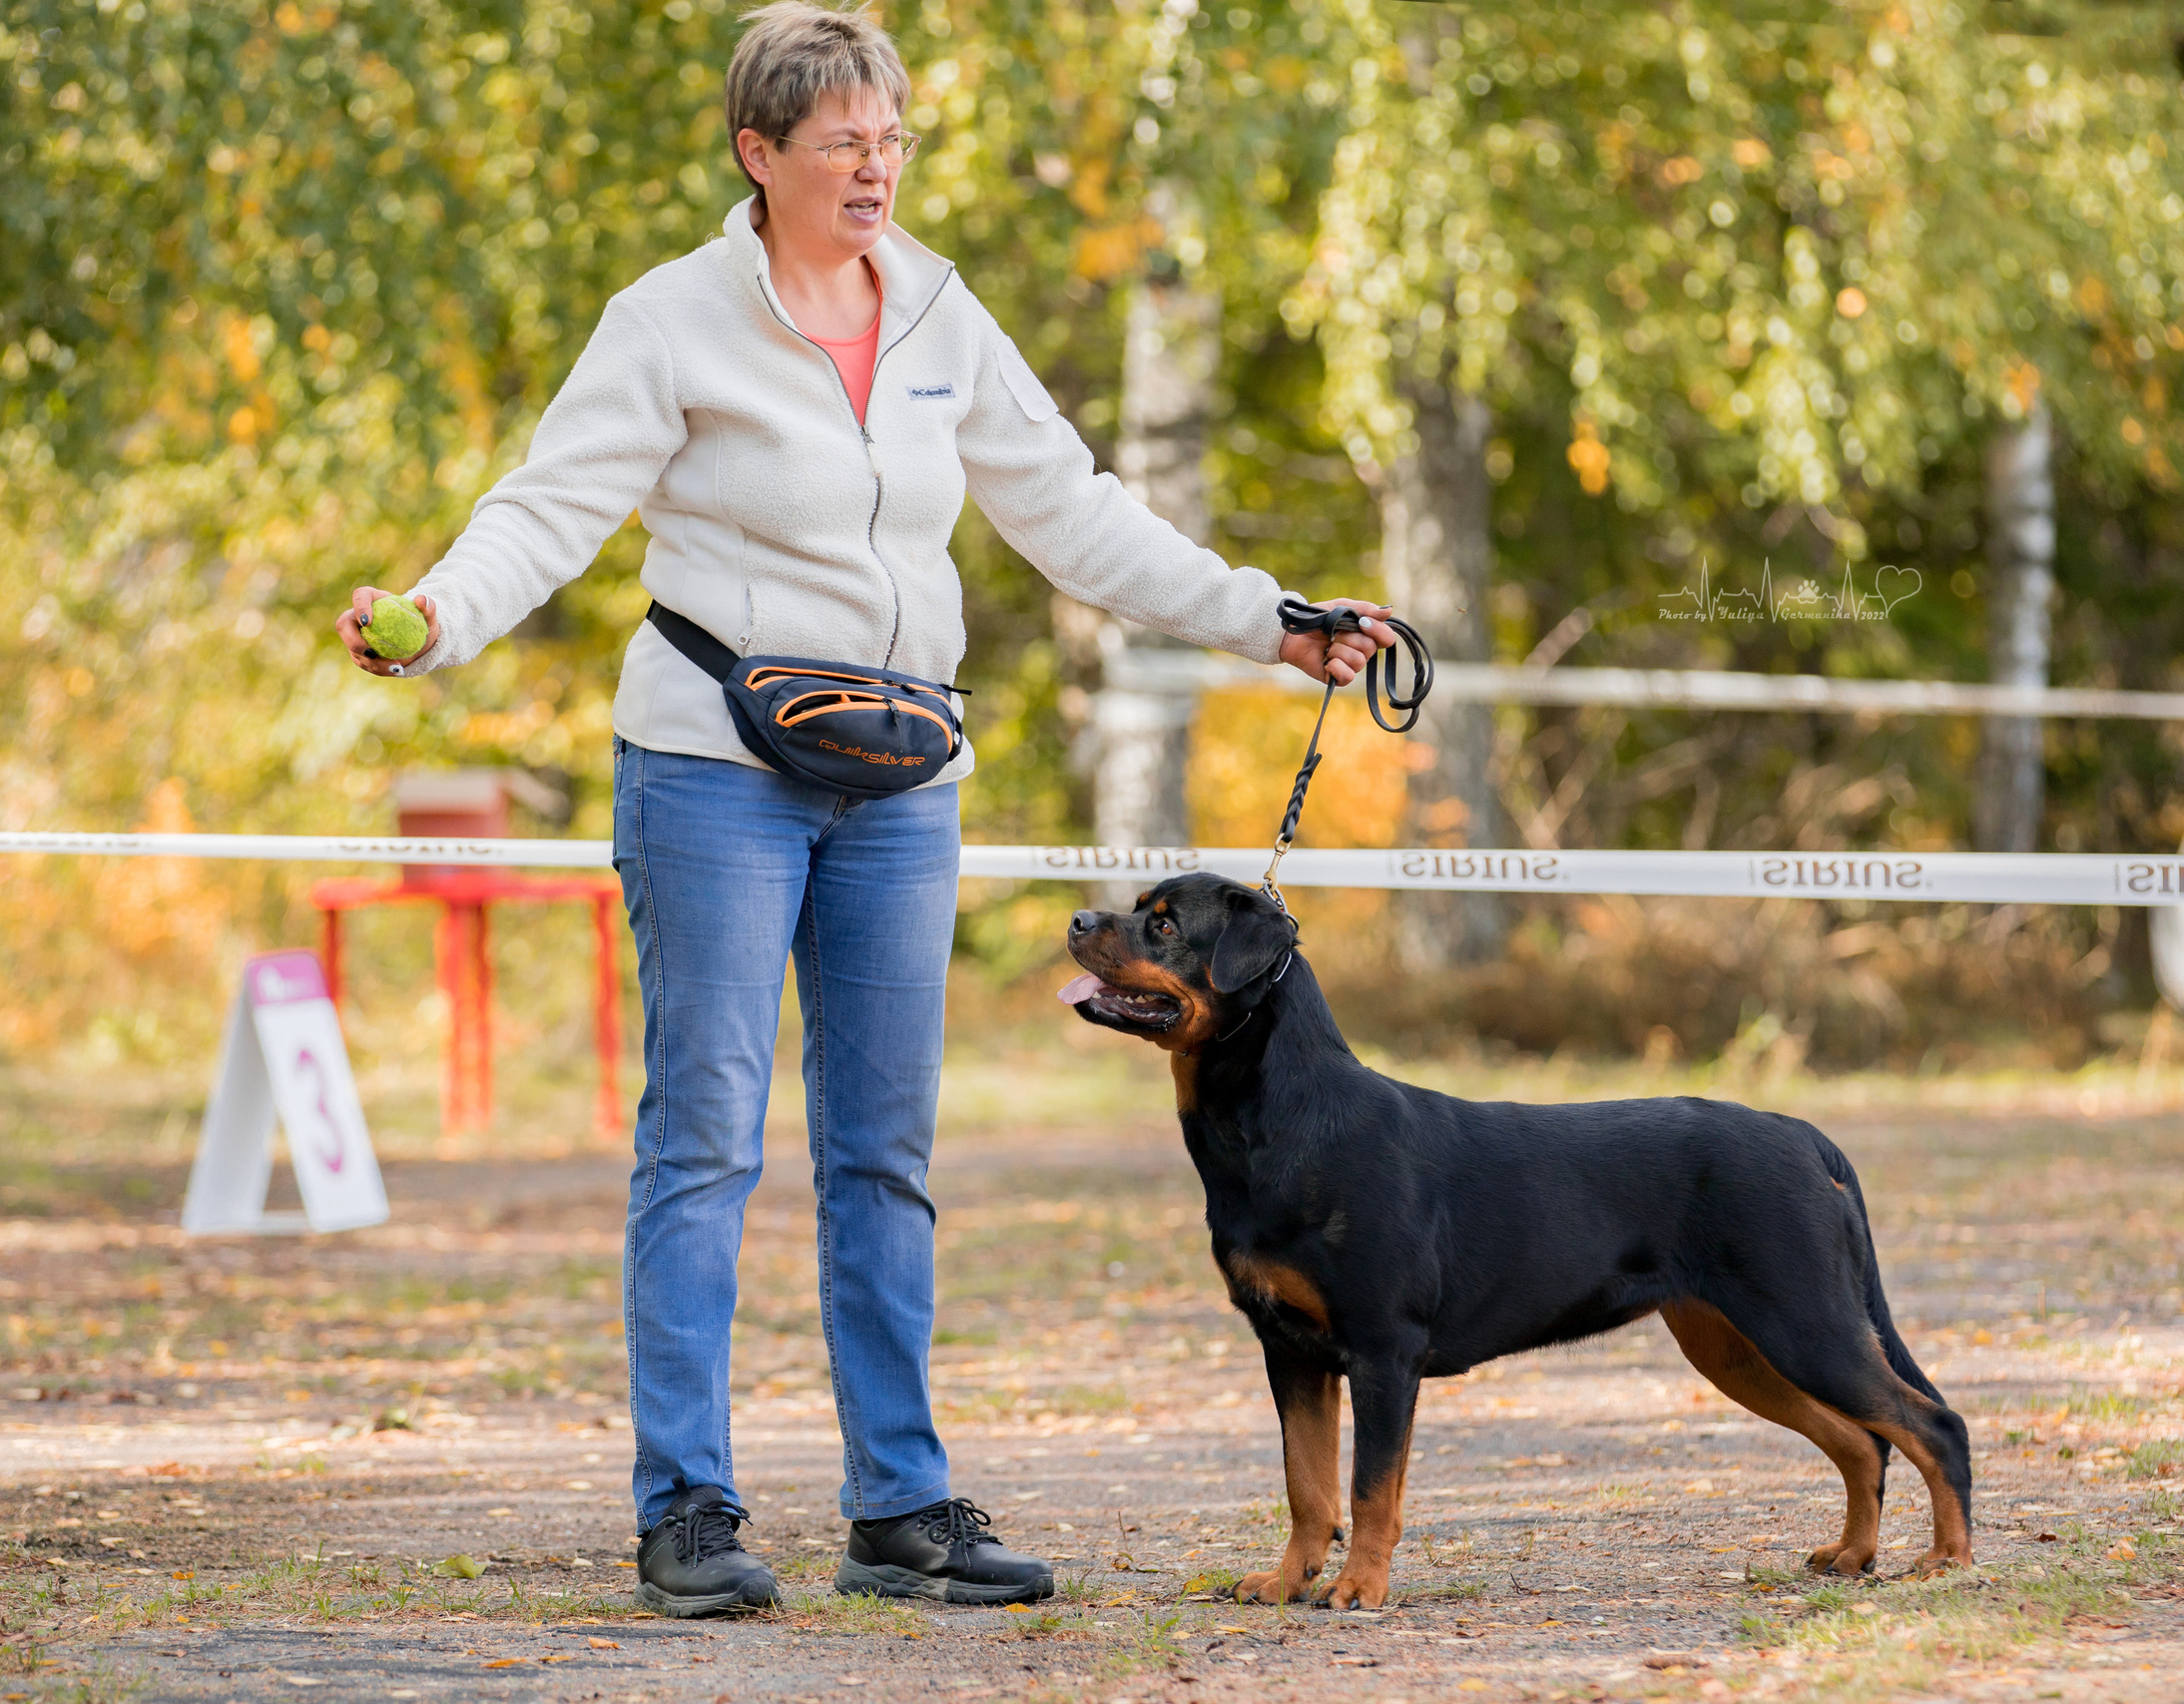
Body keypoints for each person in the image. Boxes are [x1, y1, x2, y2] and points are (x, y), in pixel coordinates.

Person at [334, 0, 1392, 1618]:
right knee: (702, 1143)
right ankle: (686, 1512)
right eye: (842, 142)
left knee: (884, 1156)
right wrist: (436, 615)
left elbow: (1079, 516)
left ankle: (901, 1508)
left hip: (905, 784)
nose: (876, 167)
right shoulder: (672, 318)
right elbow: (547, 506)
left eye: (891, 138)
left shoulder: (942, 316)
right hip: (712, 766)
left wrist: (1272, 620)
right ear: (759, 155)